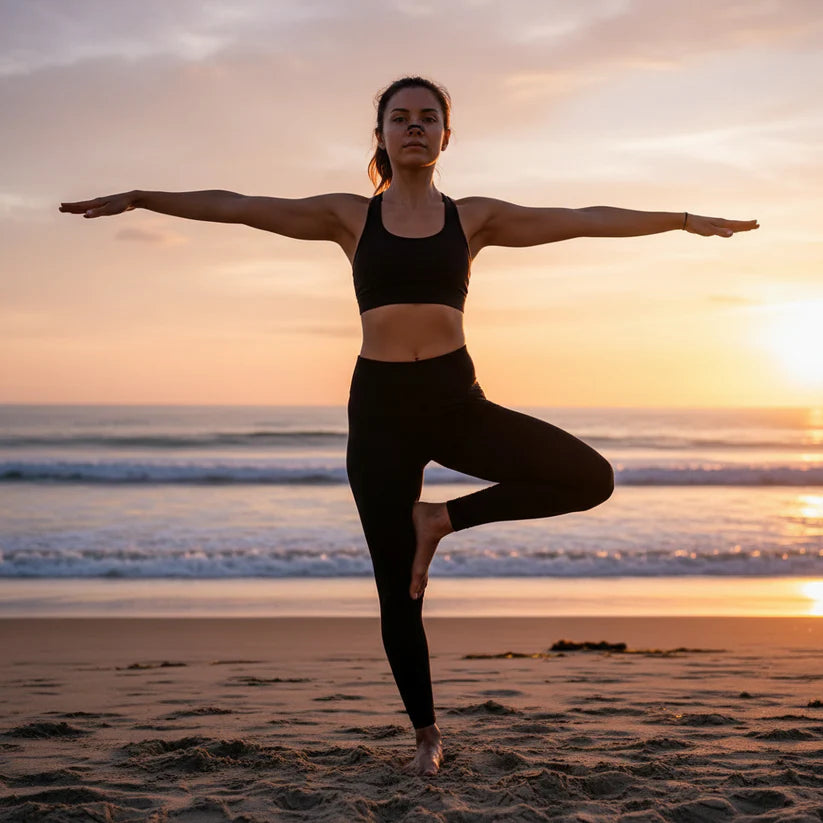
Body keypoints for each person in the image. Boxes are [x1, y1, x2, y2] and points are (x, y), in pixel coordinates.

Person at [59, 75, 759, 776]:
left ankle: (442, 519)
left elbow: (578, 215)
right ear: (382, 136)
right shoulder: (348, 216)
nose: (415, 127)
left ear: (446, 137)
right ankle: (426, 733)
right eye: (401, 118)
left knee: (589, 476)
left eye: (428, 118)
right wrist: (143, 197)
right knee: (398, 590)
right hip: (380, 414)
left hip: (456, 402)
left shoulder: (475, 217)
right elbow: (241, 206)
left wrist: (678, 218)